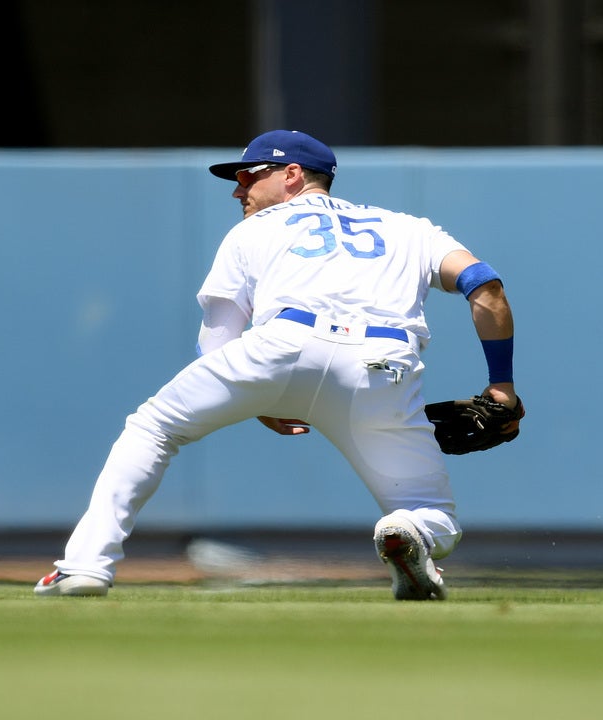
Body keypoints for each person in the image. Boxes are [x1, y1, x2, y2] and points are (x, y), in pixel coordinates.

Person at [34, 129, 521, 601]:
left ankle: (84, 567)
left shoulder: (254, 230)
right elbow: (486, 286)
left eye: (248, 176)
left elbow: (221, 339)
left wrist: (259, 394)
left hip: (281, 345)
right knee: (432, 514)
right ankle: (408, 530)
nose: (236, 190)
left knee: (152, 429)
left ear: (292, 174)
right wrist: (501, 385)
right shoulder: (410, 228)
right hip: (382, 365)